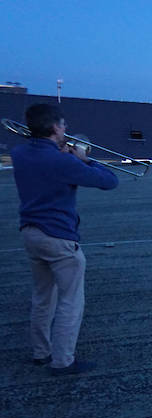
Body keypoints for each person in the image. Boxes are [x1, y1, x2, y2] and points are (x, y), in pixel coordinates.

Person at [12, 103, 118, 375]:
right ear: (54, 127)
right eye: (63, 125)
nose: (66, 129)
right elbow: (109, 181)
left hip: (30, 233)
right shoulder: (62, 161)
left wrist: (64, 154)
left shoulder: (19, 153)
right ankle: (63, 361)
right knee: (71, 301)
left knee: (42, 297)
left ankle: (41, 352)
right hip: (59, 238)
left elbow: (40, 158)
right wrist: (84, 158)